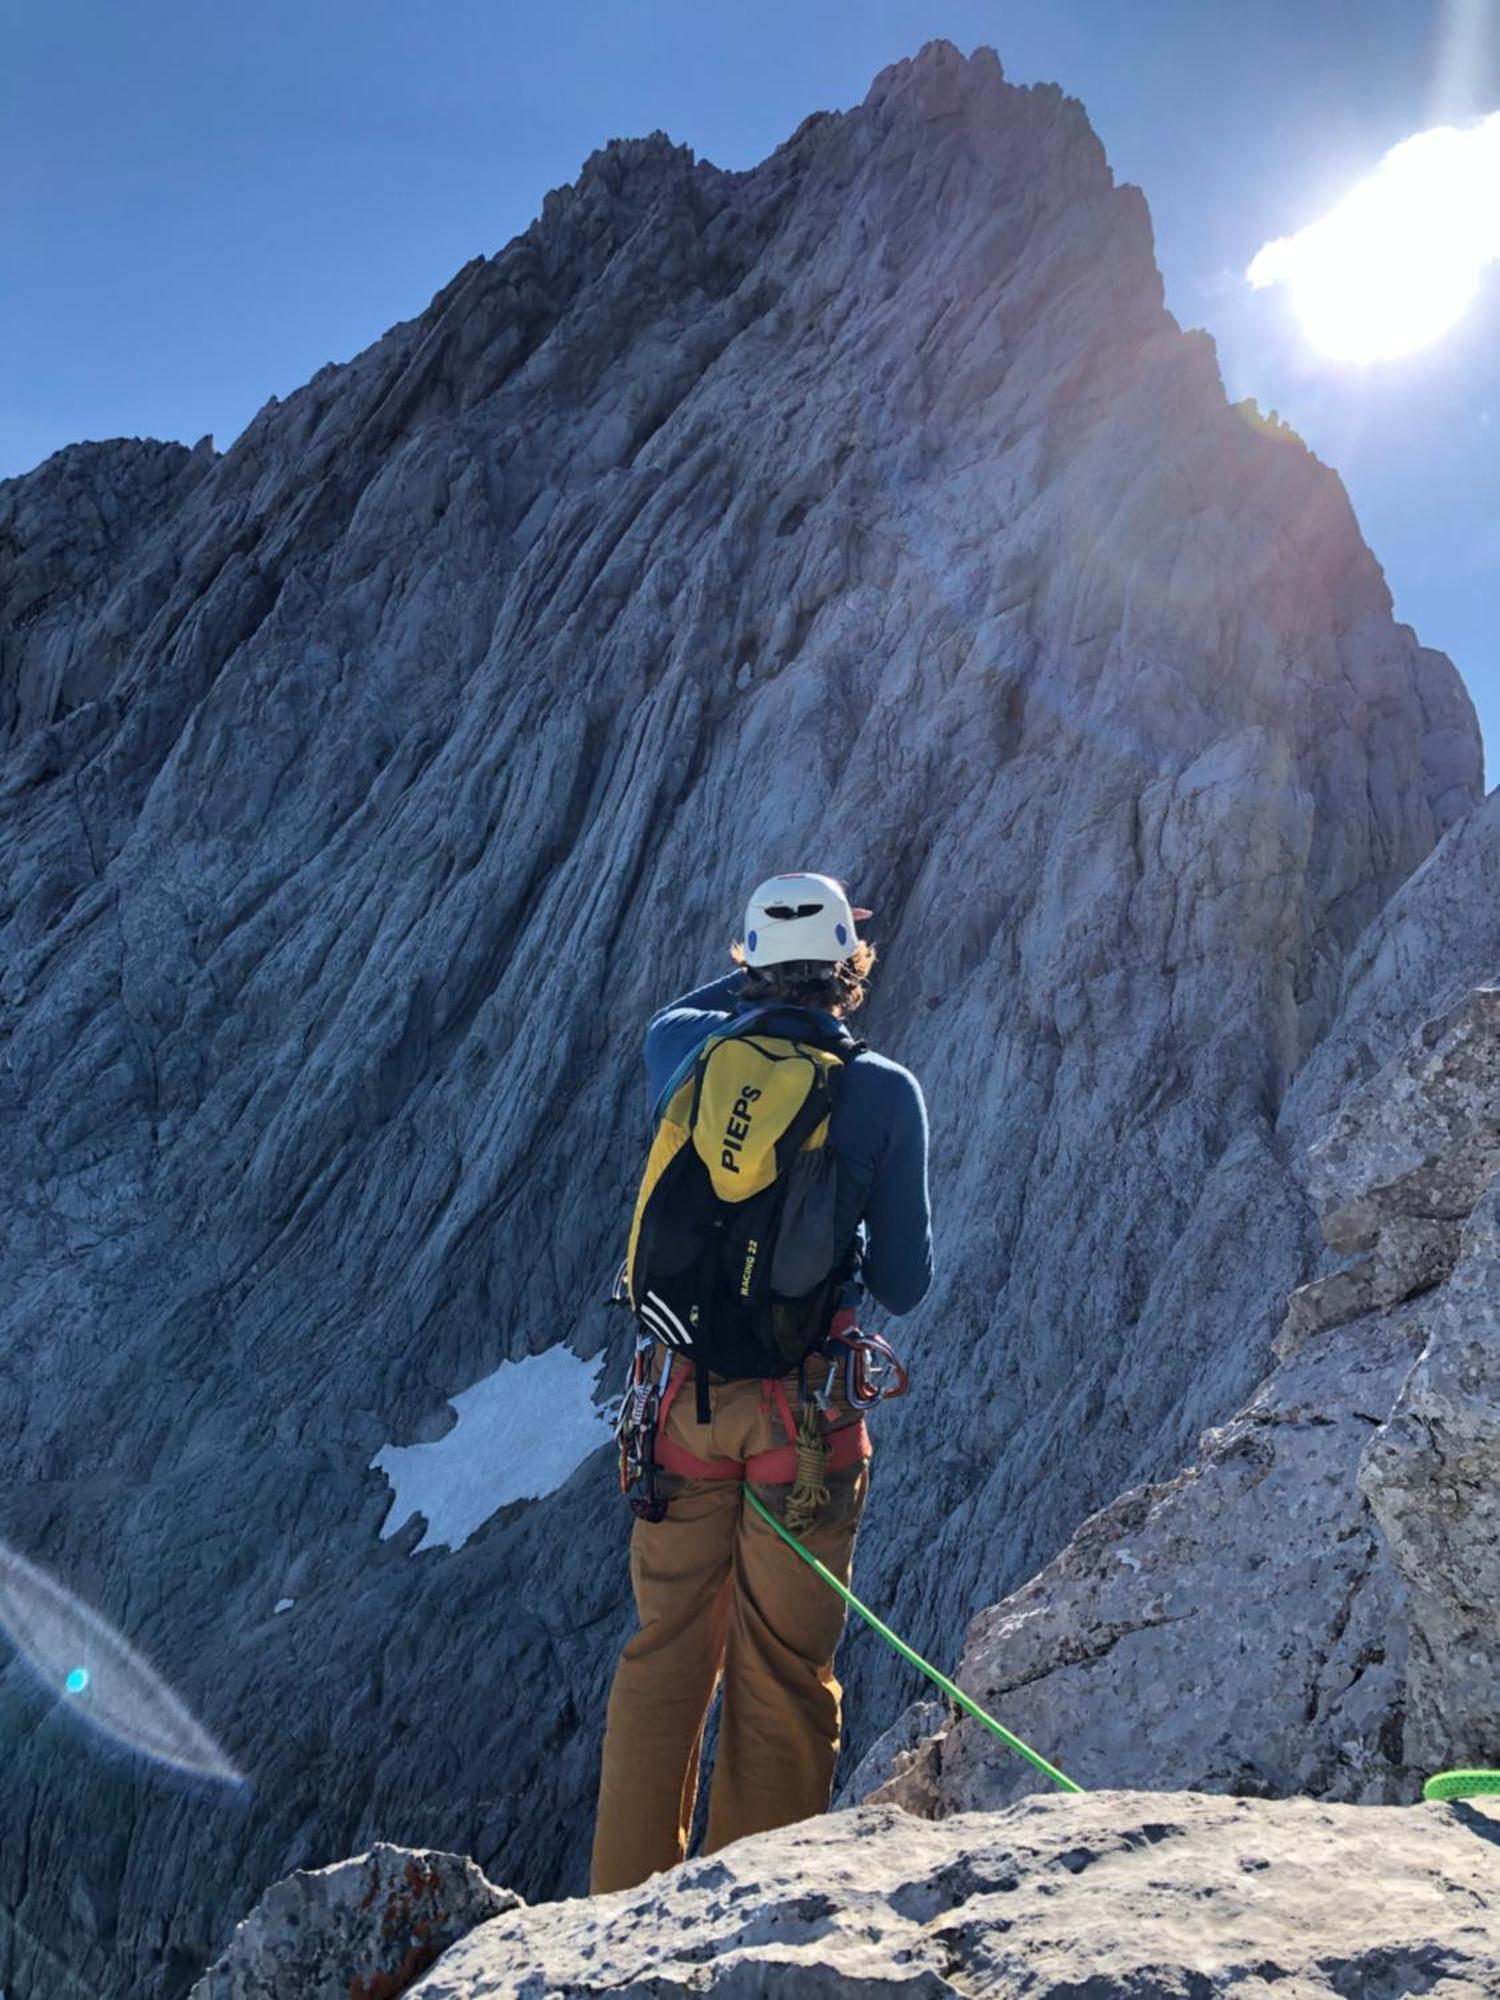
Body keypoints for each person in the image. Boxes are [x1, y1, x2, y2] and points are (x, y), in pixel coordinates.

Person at [589, 871, 933, 1895]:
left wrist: (756, 975)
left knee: (663, 1660)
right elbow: (907, 1284)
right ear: (849, 967)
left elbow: (685, 1007)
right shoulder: (881, 1089)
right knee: (780, 1677)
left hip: (680, 1412)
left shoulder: (682, 1049)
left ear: (744, 965)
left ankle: (615, 1914)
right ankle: (743, 1930)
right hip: (804, 1424)